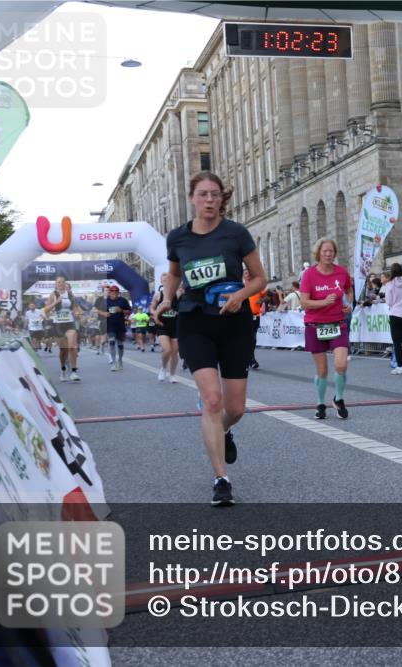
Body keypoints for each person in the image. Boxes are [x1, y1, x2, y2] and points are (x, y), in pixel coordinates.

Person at [159, 171, 267, 507]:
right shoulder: (178, 238)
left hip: (234, 322)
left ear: (222, 198)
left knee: (235, 408)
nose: (209, 200)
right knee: (212, 401)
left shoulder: (236, 234)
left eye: (215, 195)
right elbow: (175, 274)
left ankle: (223, 430)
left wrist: (240, 296)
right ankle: (221, 479)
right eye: (203, 194)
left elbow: (261, 278)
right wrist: (167, 298)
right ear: (192, 197)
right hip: (194, 323)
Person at [300, 238, 354, 420]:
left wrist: (348, 304)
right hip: (315, 326)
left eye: (331, 251)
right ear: (318, 254)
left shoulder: (341, 272)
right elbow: (304, 302)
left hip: (337, 323)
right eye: (325, 251)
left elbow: (348, 290)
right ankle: (320, 403)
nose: (328, 254)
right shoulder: (309, 275)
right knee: (322, 370)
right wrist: (324, 302)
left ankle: (339, 399)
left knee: (341, 364)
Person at [44, 276, 83, 382]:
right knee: (63, 351)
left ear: (65, 284)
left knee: (72, 347)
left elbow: (75, 307)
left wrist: (78, 313)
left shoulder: (70, 294)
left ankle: (74, 372)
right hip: (58, 325)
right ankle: (63, 370)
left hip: (69, 323)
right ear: (56, 284)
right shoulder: (53, 295)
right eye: (58, 282)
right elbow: (46, 310)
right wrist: (56, 302)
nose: (61, 284)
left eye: (62, 282)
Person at [384, 262, 402, 374]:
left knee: (397, 342)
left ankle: (400, 366)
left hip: (395, 314)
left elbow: (389, 302)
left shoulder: (389, 284)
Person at [151, 283, 182, 382]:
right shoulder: (158, 295)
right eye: (164, 280)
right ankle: (163, 368)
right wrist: (155, 313)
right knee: (167, 349)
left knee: (175, 352)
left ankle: (172, 374)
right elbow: (151, 307)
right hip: (162, 325)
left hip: (175, 325)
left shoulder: (179, 293)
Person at [98, 285, 131, 371]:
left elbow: (129, 311)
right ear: (110, 292)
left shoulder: (123, 300)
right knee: (111, 342)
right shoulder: (105, 301)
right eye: (112, 290)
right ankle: (114, 362)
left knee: (120, 345)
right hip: (109, 325)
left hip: (120, 325)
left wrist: (121, 310)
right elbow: (98, 310)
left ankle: (120, 360)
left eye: (116, 290)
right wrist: (104, 314)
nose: (114, 292)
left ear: (118, 292)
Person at [245, 268, 265, 370]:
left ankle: (250, 358)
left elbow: (267, 296)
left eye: (249, 273)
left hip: (255, 316)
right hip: (243, 316)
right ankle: (250, 359)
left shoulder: (256, 287)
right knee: (246, 338)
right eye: (246, 273)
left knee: (253, 338)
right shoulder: (240, 287)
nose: (248, 275)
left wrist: (262, 302)